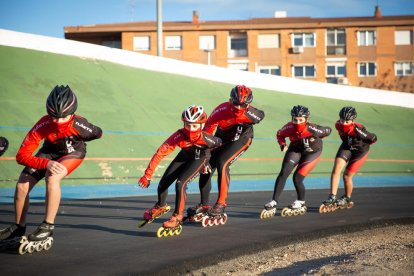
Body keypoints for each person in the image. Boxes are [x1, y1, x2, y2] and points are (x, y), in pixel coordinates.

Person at [0, 85, 102, 252]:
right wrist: (45, 163)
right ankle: (19, 226)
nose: (58, 121)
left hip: (73, 153)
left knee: (52, 177)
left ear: (73, 113)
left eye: (63, 118)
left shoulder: (80, 124)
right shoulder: (43, 124)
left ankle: (48, 226)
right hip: (49, 153)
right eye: (54, 117)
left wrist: (85, 135)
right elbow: (21, 155)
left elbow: (98, 133)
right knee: (22, 184)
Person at [137, 105, 222, 234]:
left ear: (201, 125)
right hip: (185, 155)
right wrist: (147, 175)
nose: (190, 129)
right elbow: (160, 153)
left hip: (200, 158)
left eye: (194, 126)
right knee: (164, 181)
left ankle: (177, 216)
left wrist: (208, 163)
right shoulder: (179, 135)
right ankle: (161, 205)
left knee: (180, 183)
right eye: (188, 125)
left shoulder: (208, 139)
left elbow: (218, 145)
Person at [196, 85, 265, 219]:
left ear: (248, 104)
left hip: (242, 140)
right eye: (235, 104)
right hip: (222, 139)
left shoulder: (252, 114)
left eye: (242, 105)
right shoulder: (220, 110)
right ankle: (204, 205)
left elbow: (261, 114)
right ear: (230, 100)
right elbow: (206, 135)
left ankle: (221, 203)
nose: (238, 108)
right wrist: (204, 156)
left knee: (223, 163)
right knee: (206, 165)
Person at [261, 105, 331, 218]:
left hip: (312, 153)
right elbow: (279, 135)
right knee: (284, 173)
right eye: (295, 119)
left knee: (297, 178)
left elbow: (328, 130)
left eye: (301, 120)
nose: (298, 122)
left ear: (307, 119)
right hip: (296, 149)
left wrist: (320, 136)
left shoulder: (313, 128)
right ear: (292, 119)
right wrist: (283, 145)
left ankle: (300, 201)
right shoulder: (288, 128)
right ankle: (273, 201)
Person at [321, 106, 377, 211]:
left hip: (360, 151)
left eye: (347, 121)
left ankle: (347, 198)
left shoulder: (358, 130)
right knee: (336, 169)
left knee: (346, 176)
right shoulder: (338, 125)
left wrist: (365, 143)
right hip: (347, 146)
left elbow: (373, 138)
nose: (344, 123)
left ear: (352, 120)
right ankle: (332, 196)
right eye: (342, 120)